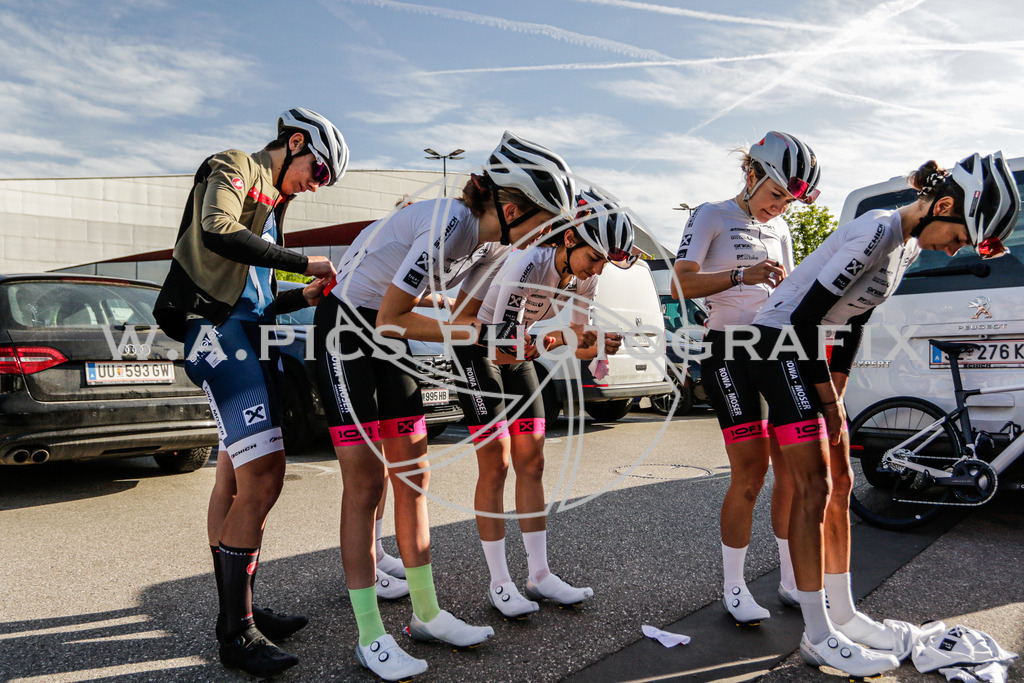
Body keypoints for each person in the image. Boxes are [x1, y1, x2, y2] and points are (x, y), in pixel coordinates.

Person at [313, 131, 576, 682]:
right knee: (366, 484)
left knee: (414, 474)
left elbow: (464, 316)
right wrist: (481, 336)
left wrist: (520, 339)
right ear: (511, 209)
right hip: (348, 328)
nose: (548, 236)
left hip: (385, 334)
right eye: (545, 222)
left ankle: (427, 614)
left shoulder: (495, 244)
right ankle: (370, 635)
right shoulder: (450, 224)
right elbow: (393, 316)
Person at [746, 152, 1020, 677]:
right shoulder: (876, 231)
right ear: (943, 206)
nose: (954, 249)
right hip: (776, 346)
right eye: (959, 237)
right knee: (814, 487)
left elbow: (855, 318)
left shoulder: (906, 249)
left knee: (841, 482)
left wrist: (839, 386)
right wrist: (828, 401)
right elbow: (803, 320)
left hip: (804, 351)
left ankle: (844, 614)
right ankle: (817, 634)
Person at [153, 108, 348, 677]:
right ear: (295, 142)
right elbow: (216, 227)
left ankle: (238, 608)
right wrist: (301, 261)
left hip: (249, 333)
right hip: (217, 332)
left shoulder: (273, 207)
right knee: (264, 475)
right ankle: (236, 633)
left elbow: (258, 298)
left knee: (235, 479)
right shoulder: (237, 164)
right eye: (318, 171)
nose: (316, 185)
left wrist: (301, 295)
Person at [452, 187, 632, 618]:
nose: (597, 269)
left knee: (532, 463)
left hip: (515, 349)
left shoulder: (586, 274)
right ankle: (500, 582)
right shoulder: (528, 261)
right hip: (477, 349)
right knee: (496, 464)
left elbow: (575, 340)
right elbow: (501, 346)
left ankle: (539, 574)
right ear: (569, 239)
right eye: (595, 258)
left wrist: (597, 344)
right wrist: (553, 340)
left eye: (605, 263)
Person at [672, 131, 816, 625]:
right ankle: (734, 587)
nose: (780, 207)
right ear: (751, 174)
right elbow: (679, 282)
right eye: (775, 194)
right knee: (751, 473)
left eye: (788, 201)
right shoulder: (711, 214)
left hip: (775, 347)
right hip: (727, 349)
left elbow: (790, 293)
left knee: (792, 472)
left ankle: (791, 579)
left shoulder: (782, 229)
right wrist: (741, 276)